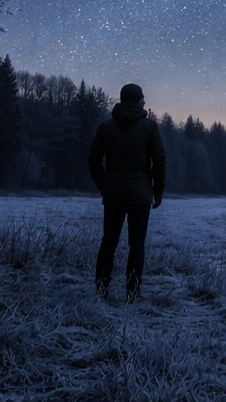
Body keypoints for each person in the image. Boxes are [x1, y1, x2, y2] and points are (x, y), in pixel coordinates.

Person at [88, 83, 166, 301]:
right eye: (143, 98)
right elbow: (159, 160)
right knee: (137, 244)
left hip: (113, 193)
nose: (145, 101)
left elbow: (93, 159)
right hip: (140, 194)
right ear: (138, 100)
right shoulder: (149, 127)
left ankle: (101, 289)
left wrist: (103, 184)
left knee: (109, 242)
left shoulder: (106, 127)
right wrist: (158, 190)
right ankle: (132, 292)